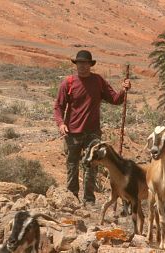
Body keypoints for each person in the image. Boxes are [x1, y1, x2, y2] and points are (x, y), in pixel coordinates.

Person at [53, 50, 131, 206]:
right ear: (76, 64)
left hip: (93, 132)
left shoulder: (98, 81)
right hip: (72, 132)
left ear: (90, 64)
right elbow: (59, 106)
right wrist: (61, 123)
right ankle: (72, 197)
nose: (82, 66)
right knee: (72, 165)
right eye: (79, 63)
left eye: (85, 63)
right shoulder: (68, 83)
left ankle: (89, 200)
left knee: (92, 166)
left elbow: (115, 100)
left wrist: (123, 90)